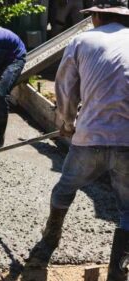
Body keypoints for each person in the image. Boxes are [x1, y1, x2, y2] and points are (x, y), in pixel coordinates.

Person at [27, 1, 129, 280]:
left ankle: (46, 246)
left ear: (97, 16)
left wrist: (67, 123)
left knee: (64, 190)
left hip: (90, 137)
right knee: (128, 210)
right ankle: (118, 272)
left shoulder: (82, 40)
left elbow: (64, 88)